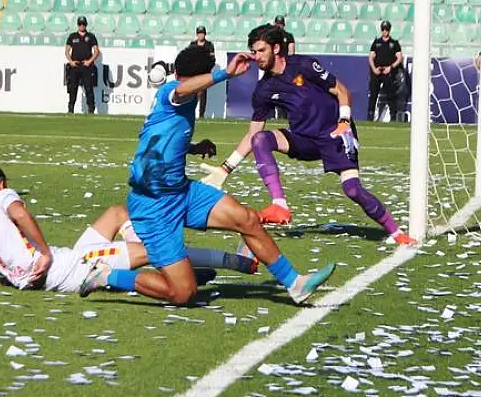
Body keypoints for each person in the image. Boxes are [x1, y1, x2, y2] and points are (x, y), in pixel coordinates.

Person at [80, 46, 337, 305]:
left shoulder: (178, 101)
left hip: (181, 192)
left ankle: (295, 283)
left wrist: (193, 147)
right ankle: (107, 276)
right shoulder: (172, 92)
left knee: (246, 219)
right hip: (153, 206)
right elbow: (181, 90)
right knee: (183, 293)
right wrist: (224, 74)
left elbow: (156, 140)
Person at [201, 25, 416, 245]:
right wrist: (225, 168)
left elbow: (342, 91)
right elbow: (253, 134)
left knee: (352, 190)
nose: (257, 57)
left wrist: (344, 120)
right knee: (261, 139)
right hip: (303, 140)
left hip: (335, 134)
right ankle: (280, 205)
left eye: (261, 50)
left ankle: (397, 233)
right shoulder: (263, 89)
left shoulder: (304, 65)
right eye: (254, 52)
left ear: (276, 48)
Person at [0, 164, 259, 291]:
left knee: (116, 213)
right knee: (156, 249)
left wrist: (8, 280)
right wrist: (41, 254)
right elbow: (22, 216)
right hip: (72, 267)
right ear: (0, 184)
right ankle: (237, 261)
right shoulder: (3, 196)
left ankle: (167, 270)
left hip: (68, 260)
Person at [367, 20, 404, 122]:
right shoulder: (377, 42)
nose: (385, 31)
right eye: (383, 29)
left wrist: (390, 67)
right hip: (377, 72)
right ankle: (370, 117)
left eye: (386, 29)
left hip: (388, 72)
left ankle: (393, 117)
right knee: (373, 95)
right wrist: (374, 69)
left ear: (389, 30)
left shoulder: (394, 43)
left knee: (390, 95)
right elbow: (371, 57)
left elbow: (399, 58)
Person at [65, 15, 99, 114]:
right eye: (80, 24)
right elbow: (67, 51)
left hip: (86, 66)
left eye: (83, 24)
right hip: (75, 66)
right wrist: (71, 61)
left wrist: (89, 61)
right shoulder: (72, 36)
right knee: (73, 88)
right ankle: (70, 109)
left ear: (86, 25)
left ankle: (91, 110)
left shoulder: (91, 36)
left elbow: (96, 51)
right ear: (77, 25)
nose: (81, 26)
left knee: (89, 88)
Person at [190, 25, 215, 118]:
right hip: (194, 72)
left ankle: (201, 114)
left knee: (203, 94)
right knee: (192, 93)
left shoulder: (209, 45)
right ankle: (191, 113)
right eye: (199, 33)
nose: (201, 35)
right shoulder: (192, 44)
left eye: (202, 33)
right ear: (197, 35)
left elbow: (212, 59)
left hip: (204, 72)